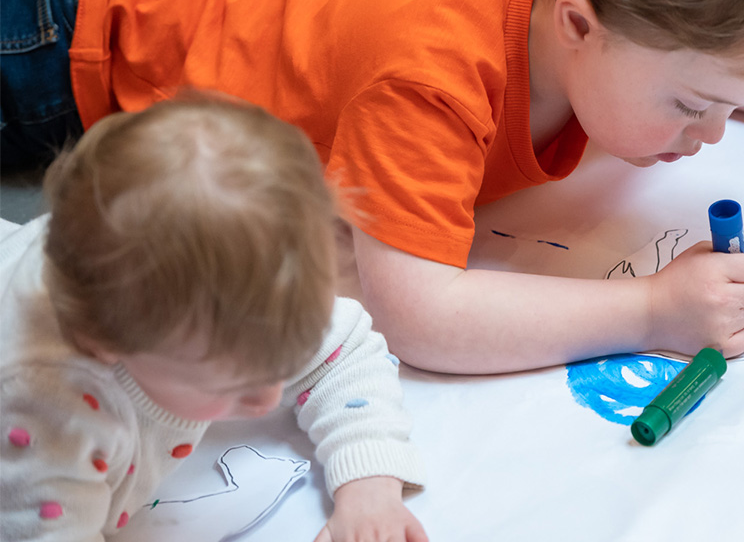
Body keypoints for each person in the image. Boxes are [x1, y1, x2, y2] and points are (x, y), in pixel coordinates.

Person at [0, 0, 744, 375]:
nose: (711, 135)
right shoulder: (433, 75)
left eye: (732, 107)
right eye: (694, 108)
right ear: (580, 27)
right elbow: (412, 308)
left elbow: (704, 42)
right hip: (58, 38)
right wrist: (648, 308)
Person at [0, 96, 427, 541]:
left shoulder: (248, 299)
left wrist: (368, 488)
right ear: (106, 342)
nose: (269, 398)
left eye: (283, 363)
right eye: (233, 386)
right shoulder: (44, 409)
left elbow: (344, 354)